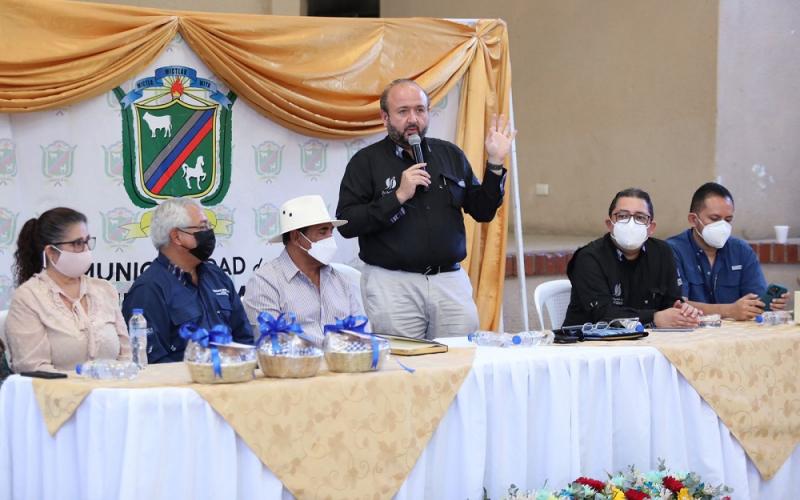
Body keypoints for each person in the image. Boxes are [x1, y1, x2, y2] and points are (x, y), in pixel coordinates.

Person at [336, 78, 515, 339]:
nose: (413, 119)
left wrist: (495, 163)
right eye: (403, 111)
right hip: (393, 284)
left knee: (459, 364)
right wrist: (397, 196)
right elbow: (348, 224)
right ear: (385, 117)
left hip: (449, 281)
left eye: (420, 110)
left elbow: (482, 210)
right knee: (405, 370)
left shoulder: (450, 155)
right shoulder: (366, 162)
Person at [122, 198, 252, 363]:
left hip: (232, 381)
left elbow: (244, 338)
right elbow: (153, 362)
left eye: (209, 226)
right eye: (202, 227)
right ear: (177, 236)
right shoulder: (148, 290)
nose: (209, 233)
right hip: (182, 386)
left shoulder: (217, 277)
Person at [6, 207, 131, 372]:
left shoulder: (104, 289)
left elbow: (127, 356)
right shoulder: (28, 298)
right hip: (58, 395)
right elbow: (34, 369)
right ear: (51, 252)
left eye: (87, 242)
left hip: (111, 394)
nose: (86, 250)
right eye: (77, 243)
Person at [564, 188, 701, 328]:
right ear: (609, 224)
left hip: (648, 341)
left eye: (640, 217)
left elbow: (672, 301)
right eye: (622, 216)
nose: (631, 224)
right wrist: (654, 318)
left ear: (651, 227)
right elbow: (602, 314)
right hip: (588, 343)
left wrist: (681, 310)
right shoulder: (589, 258)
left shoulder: (662, 252)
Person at [243, 195, 363, 345]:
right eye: (323, 231)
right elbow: (270, 346)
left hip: (344, 365)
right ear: (296, 237)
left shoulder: (340, 279)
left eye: (331, 231)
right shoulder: (265, 283)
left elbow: (360, 334)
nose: (330, 238)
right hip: (296, 367)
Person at [667, 182, 789, 320]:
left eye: (728, 220)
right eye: (715, 219)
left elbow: (756, 300)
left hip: (737, 336)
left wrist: (769, 305)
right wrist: (729, 310)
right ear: (693, 220)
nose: (722, 226)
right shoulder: (672, 251)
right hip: (691, 334)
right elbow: (677, 305)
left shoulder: (742, 251)